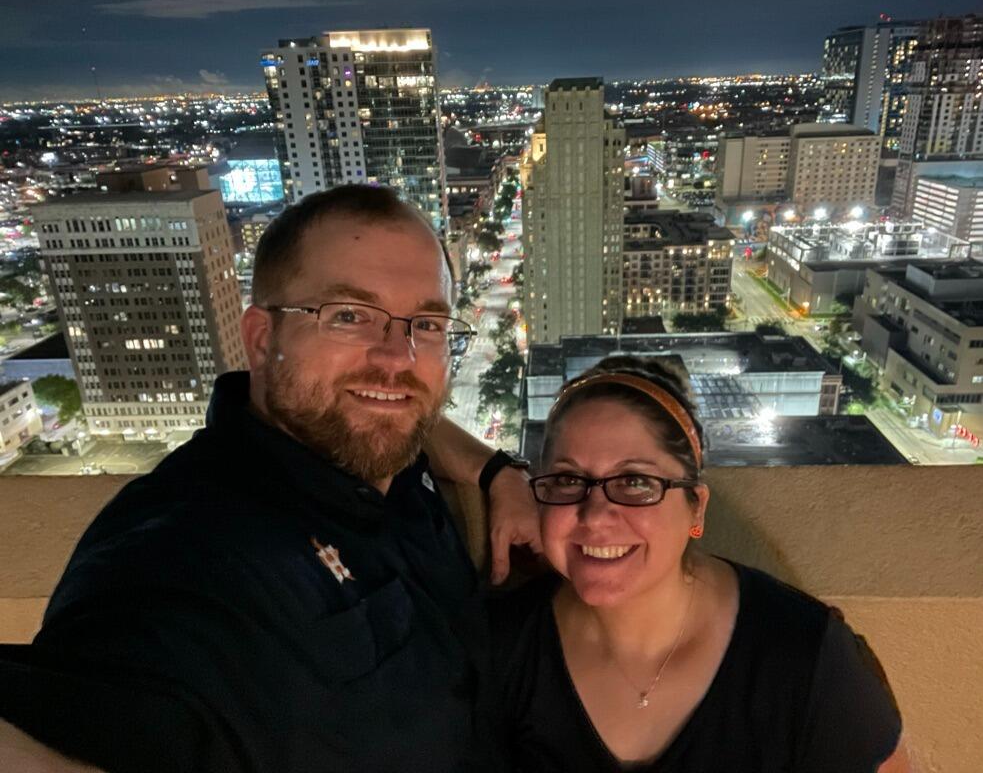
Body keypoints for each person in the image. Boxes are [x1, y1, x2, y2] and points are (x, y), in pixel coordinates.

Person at [0, 185, 539, 773]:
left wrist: (493, 468)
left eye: (428, 324)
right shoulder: (186, 552)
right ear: (261, 339)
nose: (398, 358)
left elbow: (395, 399)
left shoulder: (383, 460)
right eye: (349, 317)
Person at [491, 355, 910, 773]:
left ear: (697, 508)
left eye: (636, 481)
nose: (596, 514)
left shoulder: (805, 660)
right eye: (568, 479)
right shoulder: (501, 647)